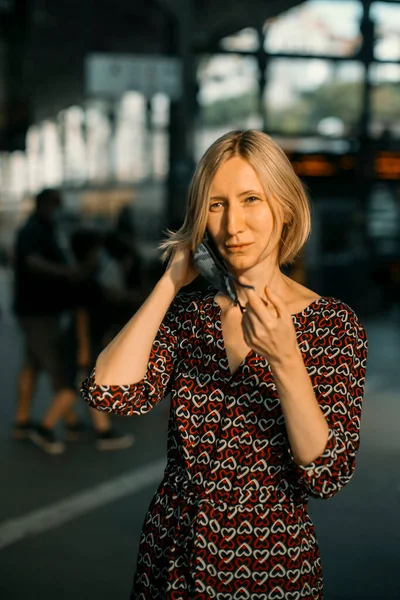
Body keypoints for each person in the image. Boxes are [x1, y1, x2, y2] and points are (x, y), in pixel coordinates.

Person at [81, 130, 368, 599]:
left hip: (269, 562)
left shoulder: (332, 324)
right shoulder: (191, 316)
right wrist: (172, 281)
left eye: (251, 199)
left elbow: (327, 473)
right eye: (216, 204)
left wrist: (285, 359)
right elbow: (108, 391)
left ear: (286, 206)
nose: (233, 224)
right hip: (170, 555)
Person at [12, 188, 81, 454]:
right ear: (46, 204)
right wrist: (66, 273)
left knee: (32, 363)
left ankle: (21, 420)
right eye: (56, 204)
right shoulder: (34, 231)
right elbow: (34, 262)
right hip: (38, 311)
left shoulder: (42, 228)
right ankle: (51, 426)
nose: (60, 210)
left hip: (36, 310)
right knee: (57, 365)